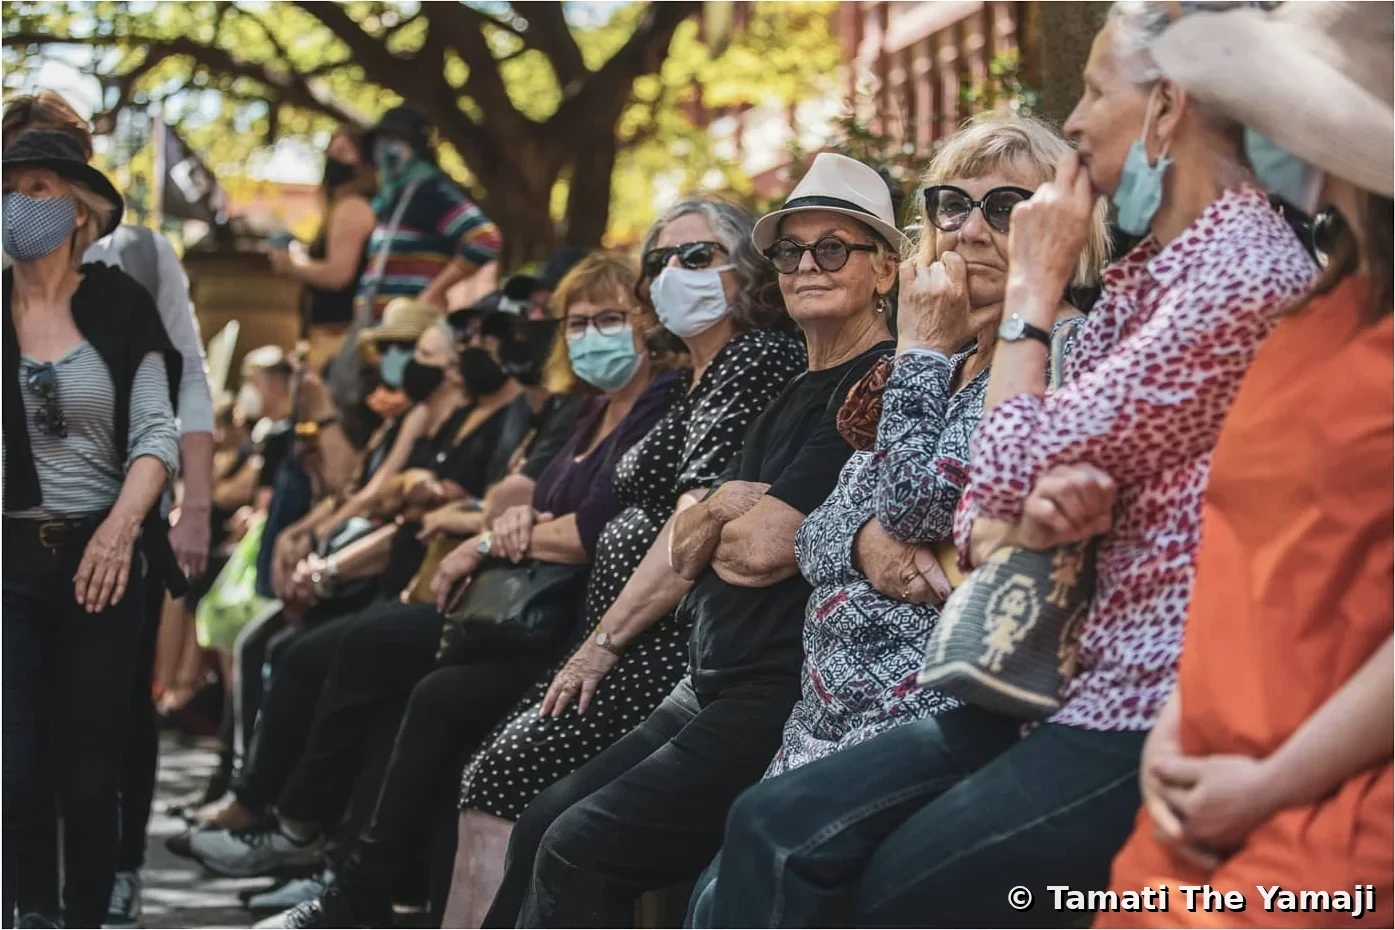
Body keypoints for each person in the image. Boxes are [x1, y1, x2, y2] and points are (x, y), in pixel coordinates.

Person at [699, 2, 1317, 924]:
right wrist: (916, 524)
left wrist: (1021, 301)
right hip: (932, 690)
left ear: (1166, 108)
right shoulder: (1144, 282)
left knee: (824, 860)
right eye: (950, 203)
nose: (1073, 120)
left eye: (1094, 91)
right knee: (764, 833)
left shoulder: (1221, 275)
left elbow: (974, 495)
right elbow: (852, 527)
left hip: (1092, 692)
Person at [487, 153, 900, 928]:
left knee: (581, 847)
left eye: (833, 248)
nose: (806, 264)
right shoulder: (789, 390)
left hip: (773, 690)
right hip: (704, 676)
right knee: (547, 818)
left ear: (883, 270)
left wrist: (710, 516)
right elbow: (684, 549)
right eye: (790, 251)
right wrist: (716, 511)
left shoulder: (872, 383)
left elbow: (763, 551)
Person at [253, 252, 699, 928]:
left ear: (646, 324)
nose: (589, 336)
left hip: (574, 626)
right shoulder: (589, 410)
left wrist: (493, 536)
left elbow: (592, 528)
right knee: (397, 678)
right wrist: (514, 518)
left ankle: (345, 874)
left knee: (429, 691)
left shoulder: (659, 405)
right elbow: (523, 498)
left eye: (609, 319)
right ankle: (353, 874)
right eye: (576, 324)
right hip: (519, 610)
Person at [1102, 4, 1393, 925]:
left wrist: (1267, 783)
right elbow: (1239, 549)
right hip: (1199, 797)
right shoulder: (1309, 316)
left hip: (1335, 820)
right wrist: (1175, 726)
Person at [440, 198, 806, 927]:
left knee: (520, 787)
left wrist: (599, 647)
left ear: (745, 269)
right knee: (492, 770)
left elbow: (693, 530)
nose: (675, 273)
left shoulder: (751, 360)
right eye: (659, 262)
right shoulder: (700, 374)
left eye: (696, 256)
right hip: (630, 637)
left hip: (666, 649)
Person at [1, 91, 216, 929]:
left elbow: (157, 430)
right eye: (9, 184)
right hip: (11, 561)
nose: (21, 202)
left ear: (81, 208)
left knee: (91, 769)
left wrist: (128, 528)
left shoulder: (124, 300)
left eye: (41, 186)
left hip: (105, 558)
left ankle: (90, 910)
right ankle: (35, 914)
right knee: (15, 764)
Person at [356, 105, 501, 318]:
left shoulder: (430, 191)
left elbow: (485, 239)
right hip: (381, 330)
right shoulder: (392, 199)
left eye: (395, 140)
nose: (385, 149)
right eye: (381, 140)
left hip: (412, 330)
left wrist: (433, 292)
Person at [268, 126, 376, 371]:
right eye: (332, 151)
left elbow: (338, 275)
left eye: (343, 151)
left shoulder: (352, 207)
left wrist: (292, 264)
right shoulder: (343, 207)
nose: (335, 159)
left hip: (337, 337)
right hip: (327, 337)